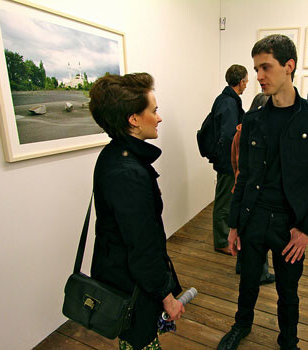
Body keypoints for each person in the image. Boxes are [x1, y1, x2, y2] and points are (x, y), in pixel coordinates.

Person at [218, 35, 308, 350]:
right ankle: (240, 326)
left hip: (290, 224)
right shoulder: (253, 118)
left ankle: (288, 342)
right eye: (256, 69)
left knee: (288, 290)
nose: (258, 76)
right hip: (254, 217)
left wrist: (307, 230)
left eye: (266, 67)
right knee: (247, 282)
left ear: (289, 66)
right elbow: (244, 176)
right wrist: (233, 224)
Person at [89, 73, 185, 350]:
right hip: (131, 285)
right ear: (133, 119)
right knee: (139, 342)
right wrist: (166, 296)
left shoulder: (113, 155)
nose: (159, 117)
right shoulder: (128, 173)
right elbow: (143, 246)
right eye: (153, 110)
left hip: (123, 274)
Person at [231, 93, 274, 285]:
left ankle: (242, 265)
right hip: (251, 189)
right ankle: (261, 273)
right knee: (257, 234)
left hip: (240, 185)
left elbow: (235, 160)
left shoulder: (240, 132)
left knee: (244, 228)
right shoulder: (253, 134)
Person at [211, 65, 248, 255]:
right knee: (224, 201)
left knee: (226, 198)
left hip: (227, 160)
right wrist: (233, 161)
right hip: (227, 161)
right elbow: (229, 136)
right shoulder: (228, 102)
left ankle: (224, 237)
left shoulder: (228, 100)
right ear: (241, 81)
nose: (247, 84)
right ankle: (220, 241)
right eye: (246, 81)